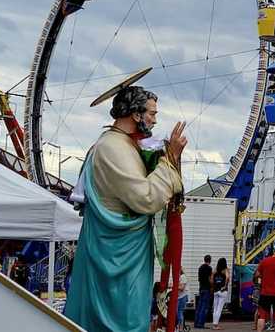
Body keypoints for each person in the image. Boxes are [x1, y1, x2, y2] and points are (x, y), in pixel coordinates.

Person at [65, 80, 185, 332]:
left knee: (130, 311)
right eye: (151, 114)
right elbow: (145, 198)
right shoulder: (113, 147)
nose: (154, 120)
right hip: (118, 252)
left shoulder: (121, 144)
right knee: (125, 316)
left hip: (122, 248)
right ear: (135, 114)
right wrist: (170, 160)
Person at [211, 257, 230, 330]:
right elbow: (227, 278)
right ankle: (216, 325)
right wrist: (225, 286)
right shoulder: (225, 270)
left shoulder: (215, 270)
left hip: (216, 290)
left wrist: (213, 286)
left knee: (215, 308)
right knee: (219, 308)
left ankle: (214, 324)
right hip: (223, 291)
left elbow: (212, 279)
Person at [196, 255, 214, 328]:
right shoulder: (209, 268)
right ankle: (200, 324)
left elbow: (199, 279)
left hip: (201, 288)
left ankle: (196, 323)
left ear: (204, 260)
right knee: (204, 308)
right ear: (210, 260)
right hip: (207, 289)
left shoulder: (200, 268)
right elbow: (210, 279)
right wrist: (212, 285)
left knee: (199, 307)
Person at [177, 267, 189, 331]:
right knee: (179, 312)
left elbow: (182, 288)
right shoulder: (180, 277)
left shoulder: (183, 277)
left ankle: (180, 328)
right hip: (180, 296)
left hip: (182, 296)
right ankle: (180, 327)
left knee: (179, 312)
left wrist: (174, 286)